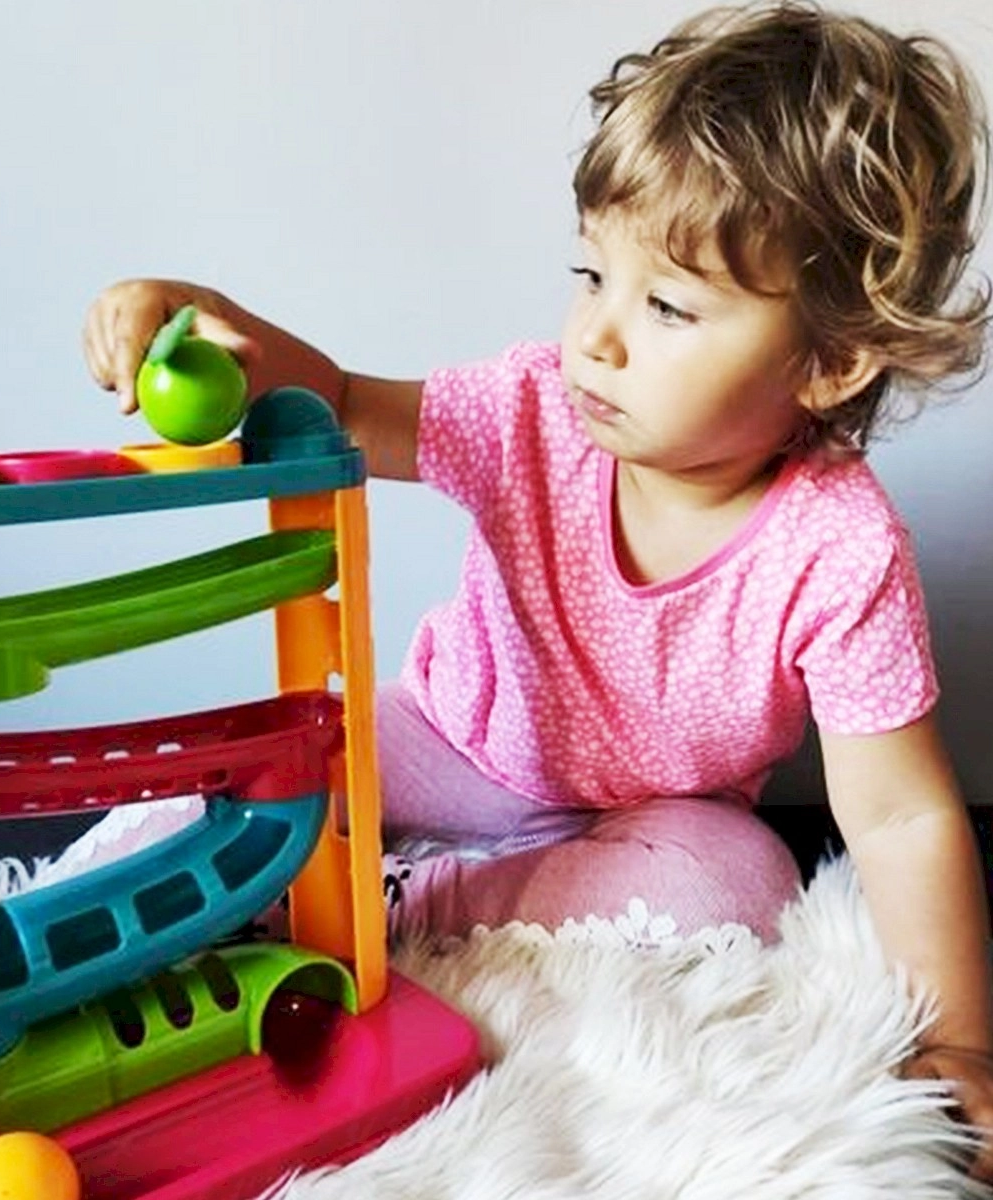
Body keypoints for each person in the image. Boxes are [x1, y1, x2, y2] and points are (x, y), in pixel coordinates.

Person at [82, 2, 993, 1178]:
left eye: (666, 307)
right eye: (593, 275)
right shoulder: (530, 413)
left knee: (744, 884)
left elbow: (903, 816)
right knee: (256, 771)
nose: (596, 339)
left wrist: (963, 1045)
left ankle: (400, 902)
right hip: (449, 737)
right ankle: (135, 903)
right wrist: (210, 320)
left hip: (649, 817)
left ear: (829, 362)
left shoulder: (841, 549)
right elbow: (343, 403)